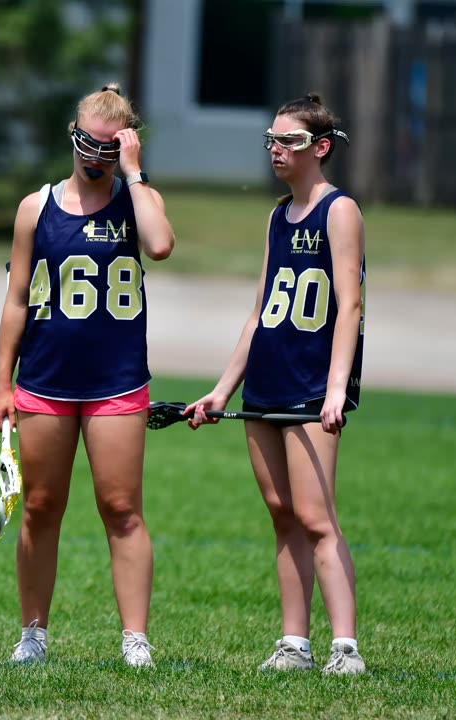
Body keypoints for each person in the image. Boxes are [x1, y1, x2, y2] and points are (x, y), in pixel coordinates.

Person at [0, 82, 175, 668]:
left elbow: (161, 245)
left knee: (121, 507)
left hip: (117, 381)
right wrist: (2, 381)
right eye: (87, 145)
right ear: (72, 137)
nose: (96, 159)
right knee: (42, 505)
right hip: (44, 379)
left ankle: (135, 640)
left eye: (110, 149)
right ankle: (33, 635)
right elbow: (18, 296)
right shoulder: (35, 207)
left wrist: (136, 174)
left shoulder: (136, 198)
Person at [185, 94, 367, 676]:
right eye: (272, 138)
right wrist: (222, 390)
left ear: (320, 147)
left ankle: (345, 648)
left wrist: (337, 389)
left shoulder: (340, 211)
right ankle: (295, 644)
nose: (275, 149)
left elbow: (350, 305)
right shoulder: (275, 216)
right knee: (282, 514)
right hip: (267, 381)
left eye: (288, 141)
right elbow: (260, 309)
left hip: (314, 385)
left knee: (318, 518)